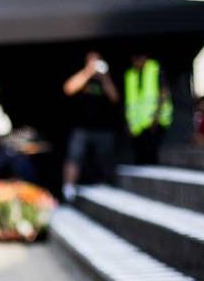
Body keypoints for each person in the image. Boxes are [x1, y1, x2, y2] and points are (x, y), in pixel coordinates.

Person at [62, 51, 120, 201]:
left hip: (103, 127)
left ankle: (110, 185)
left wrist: (104, 77)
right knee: (74, 157)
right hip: (81, 127)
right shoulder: (83, 76)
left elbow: (115, 98)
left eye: (97, 61)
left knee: (106, 158)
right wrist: (88, 72)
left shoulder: (105, 78)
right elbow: (68, 88)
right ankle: (68, 188)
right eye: (92, 62)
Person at [125, 53, 172, 164]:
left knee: (152, 154)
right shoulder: (131, 75)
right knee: (140, 156)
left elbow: (164, 93)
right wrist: (129, 122)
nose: (136, 62)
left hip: (155, 121)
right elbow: (131, 102)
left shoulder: (154, 68)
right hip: (138, 125)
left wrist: (157, 116)